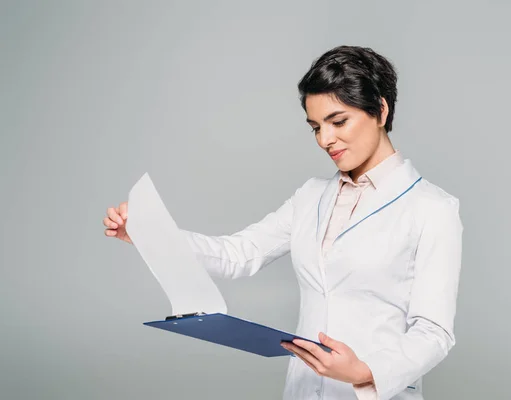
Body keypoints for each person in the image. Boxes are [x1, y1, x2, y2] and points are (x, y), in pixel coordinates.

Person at [103, 45, 463, 400]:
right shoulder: (311, 196)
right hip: (303, 390)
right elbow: (239, 254)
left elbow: (433, 332)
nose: (325, 140)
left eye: (338, 122)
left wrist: (364, 372)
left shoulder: (432, 208)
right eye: (315, 127)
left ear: (380, 110)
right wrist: (151, 235)